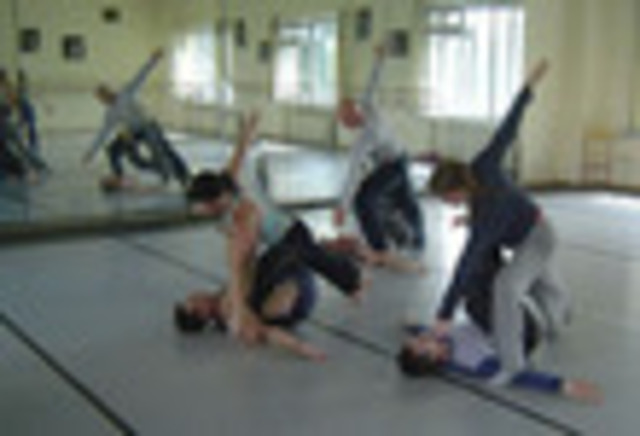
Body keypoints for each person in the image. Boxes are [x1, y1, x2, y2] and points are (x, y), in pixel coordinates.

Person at [428, 59, 571, 379]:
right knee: (540, 284)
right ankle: (560, 314)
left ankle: (513, 364)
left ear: (459, 188)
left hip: (538, 234)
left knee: (506, 286)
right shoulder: (479, 179)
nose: (449, 205)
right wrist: (527, 90)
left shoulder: (486, 170)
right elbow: (507, 132)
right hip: (519, 235)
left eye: (449, 199)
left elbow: (467, 263)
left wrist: (445, 312)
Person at [183, 111, 368, 346]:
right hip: (276, 238)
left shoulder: (239, 204)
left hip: (290, 230)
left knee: (315, 257)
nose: (202, 213)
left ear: (214, 201)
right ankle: (350, 270)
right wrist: (248, 130)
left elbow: (244, 253)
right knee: (313, 256)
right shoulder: (227, 183)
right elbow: (240, 151)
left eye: (202, 208)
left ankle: (353, 281)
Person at [334, 43, 425, 269]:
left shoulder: (368, 126)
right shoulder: (364, 118)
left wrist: (342, 207)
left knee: (364, 199)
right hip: (394, 162)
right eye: (343, 121)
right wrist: (379, 59)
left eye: (346, 119)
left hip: (396, 163)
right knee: (406, 201)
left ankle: (380, 248)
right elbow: (372, 82)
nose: (346, 125)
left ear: (354, 112)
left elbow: (353, 173)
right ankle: (415, 241)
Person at [83, 48, 190, 190]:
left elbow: (140, 77)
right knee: (115, 151)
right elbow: (103, 133)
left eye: (104, 95)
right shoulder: (110, 114)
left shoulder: (126, 93)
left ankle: (183, 175)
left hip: (148, 125)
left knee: (162, 149)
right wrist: (91, 153)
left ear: (109, 91)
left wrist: (153, 60)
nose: (104, 100)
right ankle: (120, 176)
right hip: (132, 131)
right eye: (101, 99)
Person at [0, 68, 48, 180]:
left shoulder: (10, 89)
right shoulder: (10, 89)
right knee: (15, 148)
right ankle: (32, 168)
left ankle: (29, 170)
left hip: (7, 124)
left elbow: (15, 103)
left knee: (15, 149)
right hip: (7, 124)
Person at [16, 69, 40, 155]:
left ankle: (33, 145)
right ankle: (21, 143)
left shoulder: (25, 87)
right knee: (21, 127)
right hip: (23, 108)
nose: (22, 79)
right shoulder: (18, 88)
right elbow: (18, 99)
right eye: (21, 77)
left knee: (30, 127)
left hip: (27, 108)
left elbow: (33, 97)